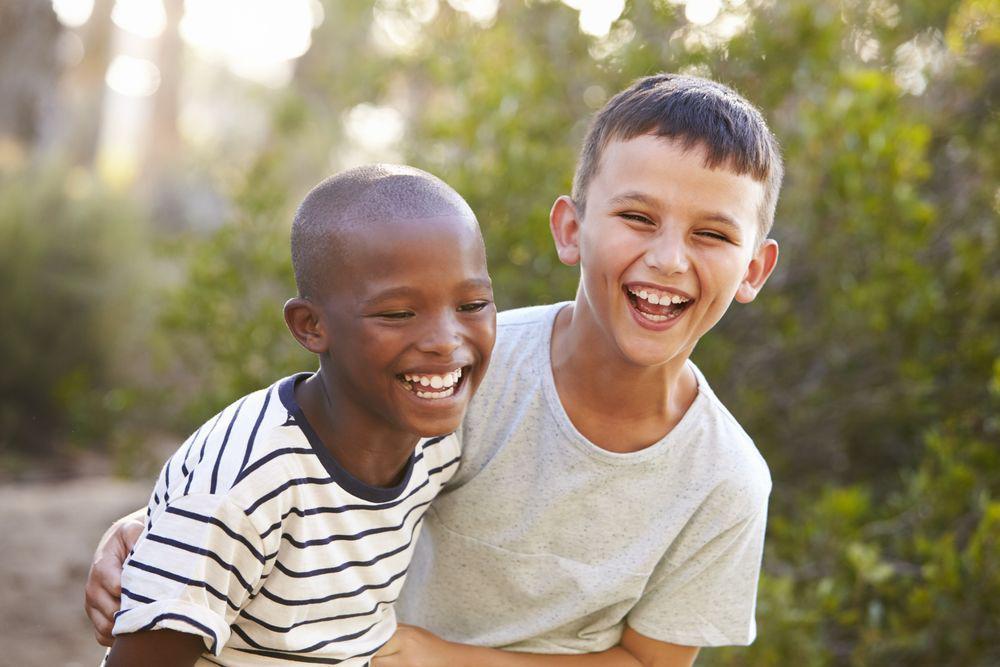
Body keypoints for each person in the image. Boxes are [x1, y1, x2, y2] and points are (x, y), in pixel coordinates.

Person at [87, 73, 782, 666]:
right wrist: (159, 525)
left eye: (712, 233)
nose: (667, 258)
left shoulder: (725, 480)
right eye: (638, 216)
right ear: (571, 229)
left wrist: (433, 655)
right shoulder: (463, 364)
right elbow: (298, 460)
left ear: (753, 268)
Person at [96, 164, 497, 666]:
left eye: (473, 303)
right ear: (310, 326)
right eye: (397, 313)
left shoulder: (437, 436)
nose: (445, 340)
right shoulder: (243, 491)